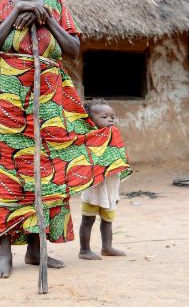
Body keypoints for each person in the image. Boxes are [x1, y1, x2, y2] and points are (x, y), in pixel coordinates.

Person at [0, 0, 131, 279]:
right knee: (11, 171)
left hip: (49, 100)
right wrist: (17, 13)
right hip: (9, 101)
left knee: (47, 170)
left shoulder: (56, 3)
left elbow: (72, 48)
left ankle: (35, 249)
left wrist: (46, 19)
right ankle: (5, 253)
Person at [78, 99, 126, 260]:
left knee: (108, 219)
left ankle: (107, 247)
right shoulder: (89, 138)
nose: (110, 120)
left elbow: (123, 157)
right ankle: (84, 250)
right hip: (94, 187)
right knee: (88, 220)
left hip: (110, 186)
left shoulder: (115, 136)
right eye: (104, 117)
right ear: (91, 121)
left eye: (112, 116)